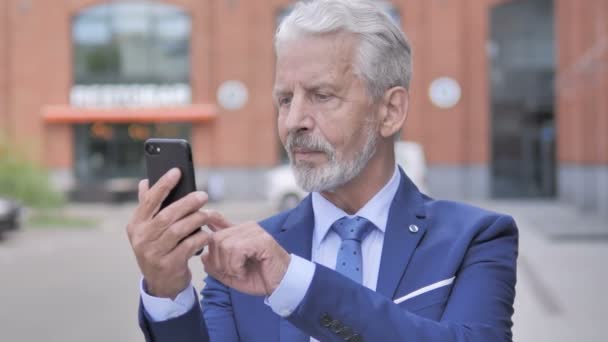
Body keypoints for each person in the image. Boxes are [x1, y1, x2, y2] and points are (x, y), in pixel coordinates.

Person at [127, 0, 518, 341]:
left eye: (322, 95)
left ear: (390, 111)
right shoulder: (241, 258)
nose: (293, 120)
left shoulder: (474, 239)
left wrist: (296, 283)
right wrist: (168, 290)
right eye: (284, 99)